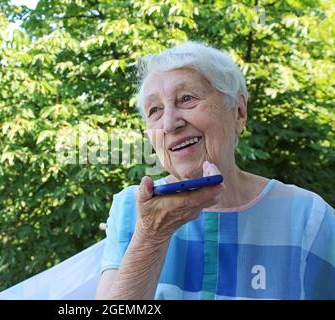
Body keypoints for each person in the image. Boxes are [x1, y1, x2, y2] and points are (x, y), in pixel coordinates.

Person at [95, 41, 335, 300]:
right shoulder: (132, 210)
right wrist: (151, 235)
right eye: (155, 110)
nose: (169, 124)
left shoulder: (309, 216)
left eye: (187, 98)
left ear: (239, 112)